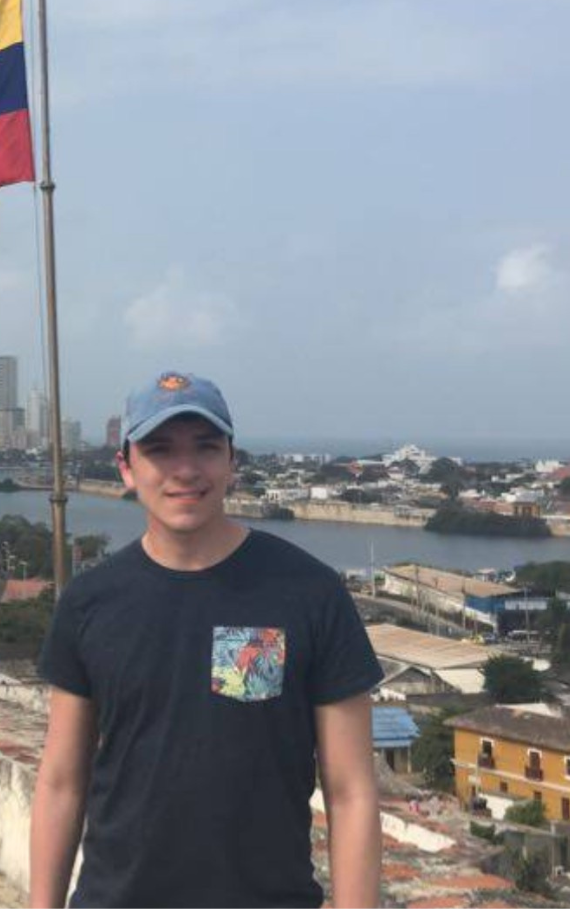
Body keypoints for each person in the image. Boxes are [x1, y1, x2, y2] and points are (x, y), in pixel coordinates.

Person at [29, 371, 384, 908]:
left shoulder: (309, 593)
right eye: (159, 450)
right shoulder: (90, 601)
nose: (186, 470)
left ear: (231, 462)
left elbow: (351, 791)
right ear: (126, 467)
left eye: (206, 448)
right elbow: (61, 782)